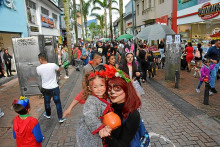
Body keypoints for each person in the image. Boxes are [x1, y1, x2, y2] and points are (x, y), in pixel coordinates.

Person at [102, 68, 142, 146]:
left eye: (117, 89)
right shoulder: (109, 107)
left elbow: (122, 144)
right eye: (110, 88)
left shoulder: (133, 115)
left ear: (127, 90)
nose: (112, 92)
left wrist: (105, 135)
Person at [76, 70, 112, 147]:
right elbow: (89, 116)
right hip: (91, 130)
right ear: (90, 88)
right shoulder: (91, 101)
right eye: (95, 87)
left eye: (102, 85)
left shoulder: (106, 97)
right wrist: (100, 128)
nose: (99, 89)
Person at [62, 52, 103, 118]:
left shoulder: (99, 67)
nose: (101, 60)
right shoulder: (87, 68)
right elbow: (83, 82)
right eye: (100, 59)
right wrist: (69, 108)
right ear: (95, 59)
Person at [36, 53, 66, 123]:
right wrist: (61, 65)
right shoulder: (53, 65)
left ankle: (48, 114)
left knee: (47, 102)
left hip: (45, 88)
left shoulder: (38, 68)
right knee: (58, 103)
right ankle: (60, 118)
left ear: (40, 59)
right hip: (55, 87)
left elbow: (39, 75)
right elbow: (59, 69)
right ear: (46, 58)